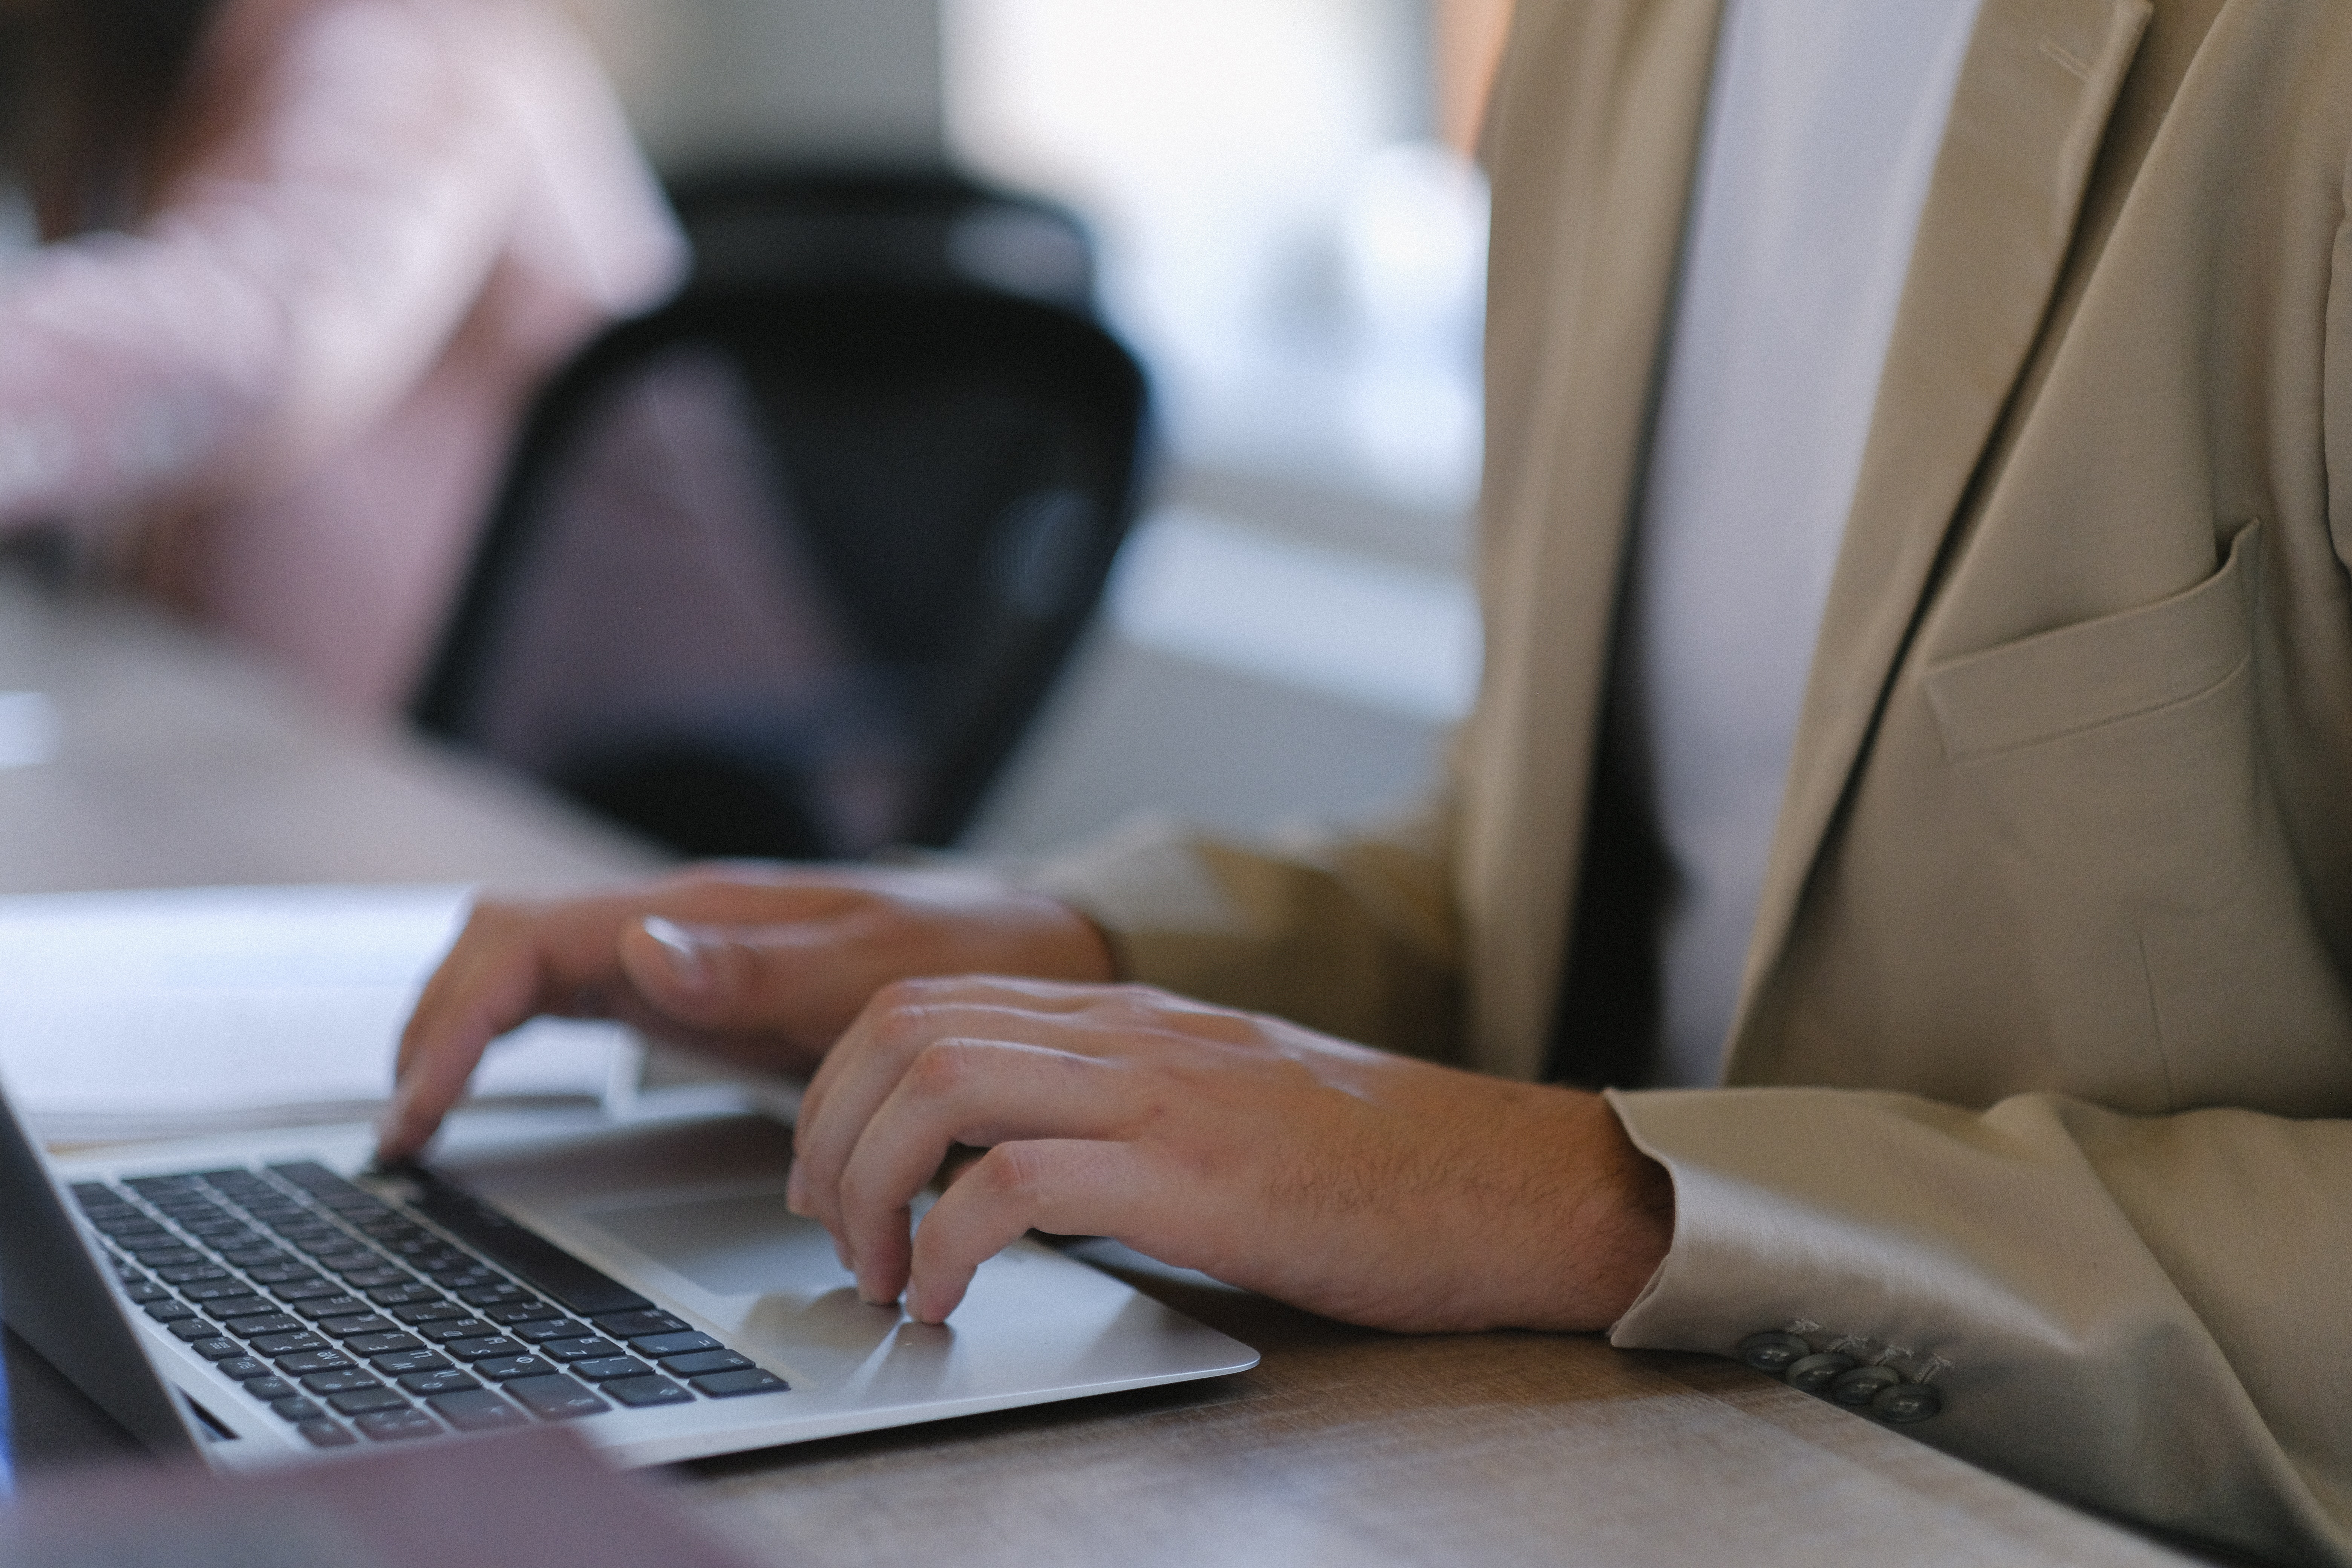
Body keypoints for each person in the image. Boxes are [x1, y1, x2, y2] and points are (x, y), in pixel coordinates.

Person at [379, 1, 2352, 1561]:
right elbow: (1587, 876)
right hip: (1635, 1479)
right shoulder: (1610, 40)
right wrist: (1060, 946)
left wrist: (1596, 1201)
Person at [0, 0, 683, 717]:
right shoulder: (158, 79)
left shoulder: (423, 27)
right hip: (340, 761)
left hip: (627, 782)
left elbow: (263, 340)